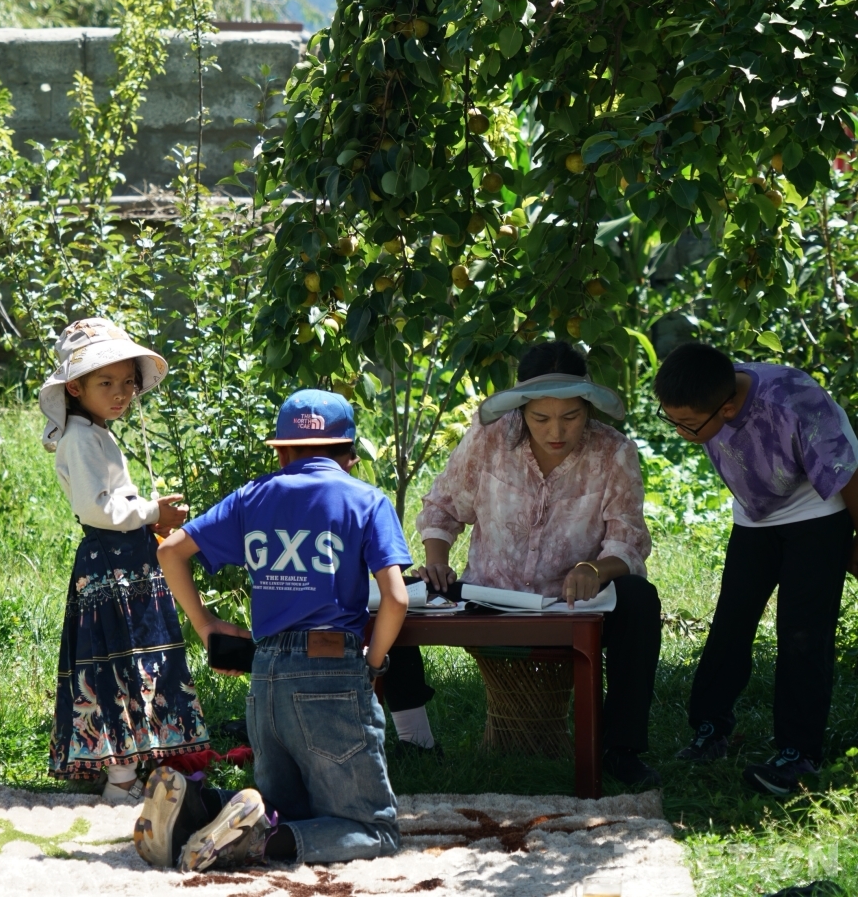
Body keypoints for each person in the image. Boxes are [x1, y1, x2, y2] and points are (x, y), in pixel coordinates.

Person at [133, 388, 410, 874]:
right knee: (376, 831)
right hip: (331, 670)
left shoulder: (252, 496)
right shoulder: (367, 500)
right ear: (349, 456)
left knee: (287, 807)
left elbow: (169, 551)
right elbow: (396, 599)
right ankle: (259, 842)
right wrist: (372, 664)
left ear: (281, 452)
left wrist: (207, 625)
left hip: (265, 678)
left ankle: (201, 804)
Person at [386, 340, 662, 788]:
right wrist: (436, 562)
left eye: (571, 416)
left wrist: (596, 570)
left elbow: (627, 542)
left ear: (588, 407)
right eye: (541, 418)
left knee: (639, 598)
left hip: (572, 603)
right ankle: (415, 740)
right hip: (486, 597)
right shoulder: (490, 437)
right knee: (392, 594)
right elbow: (442, 507)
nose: (557, 430)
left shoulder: (614, 451)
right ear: (522, 409)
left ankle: (621, 750)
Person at [655, 341, 858, 797]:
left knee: (804, 630)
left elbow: (846, 469)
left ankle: (798, 754)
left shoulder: (794, 400)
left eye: (688, 425)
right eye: (672, 420)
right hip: (757, 513)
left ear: (727, 409)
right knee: (732, 620)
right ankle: (710, 727)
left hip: (818, 508)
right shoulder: (708, 390)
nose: (680, 433)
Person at [40, 316, 209, 804]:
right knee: (116, 664)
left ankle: (132, 765)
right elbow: (97, 508)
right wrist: (153, 511)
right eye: (106, 383)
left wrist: (149, 521)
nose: (121, 394)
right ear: (75, 386)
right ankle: (120, 780)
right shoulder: (79, 438)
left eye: (128, 383)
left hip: (126, 564)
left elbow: (116, 502)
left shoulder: (96, 432)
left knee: (135, 660)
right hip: (109, 568)